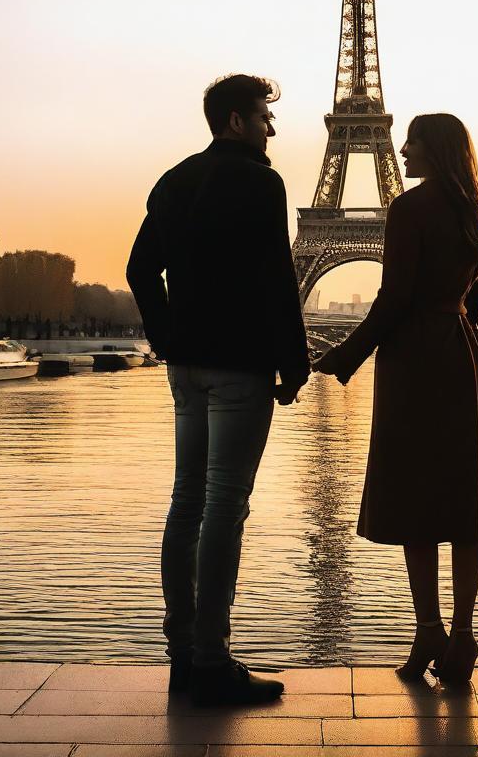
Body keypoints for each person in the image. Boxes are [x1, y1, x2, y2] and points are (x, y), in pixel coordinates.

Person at [127, 74, 310, 707]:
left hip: (188, 367)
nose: (271, 126)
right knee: (226, 507)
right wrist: (296, 361)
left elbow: (138, 269)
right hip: (242, 367)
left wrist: (169, 338)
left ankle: (183, 656)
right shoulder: (262, 183)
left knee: (187, 503)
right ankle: (212, 661)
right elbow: (278, 278)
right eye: (264, 116)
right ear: (236, 120)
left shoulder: (174, 179)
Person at [313, 113, 478, 684]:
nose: (401, 148)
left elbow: (393, 298)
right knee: (463, 501)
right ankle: (463, 635)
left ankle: (427, 630)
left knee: (416, 500)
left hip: (414, 361)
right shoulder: (476, 210)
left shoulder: (409, 209)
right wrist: (456, 334)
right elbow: (475, 297)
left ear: (433, 149)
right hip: (459, 352)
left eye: (412, 141)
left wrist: (345, 357)